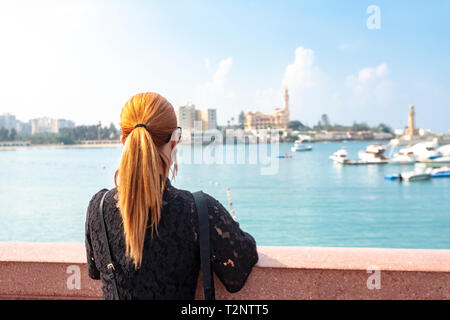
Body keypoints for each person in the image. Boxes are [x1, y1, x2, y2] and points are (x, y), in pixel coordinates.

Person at [85, 92, 258, 299]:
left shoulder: (99, 206)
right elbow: (237, 273)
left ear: (124, 141)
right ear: (174, 143)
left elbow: (95, 271)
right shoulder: (198, 210)